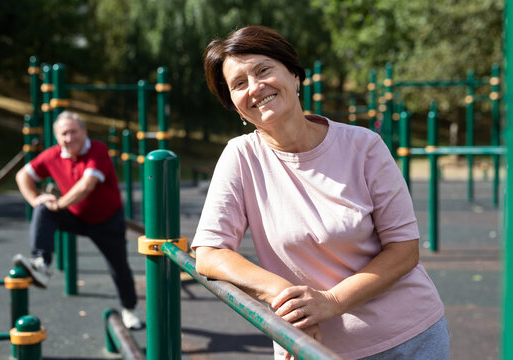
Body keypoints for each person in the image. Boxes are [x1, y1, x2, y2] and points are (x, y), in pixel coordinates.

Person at [192, 25, 449, 359]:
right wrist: (284, 295)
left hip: (408, 340)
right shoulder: (241, 157)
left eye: (263, 70)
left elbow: (404, 250)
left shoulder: (363, 146)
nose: (255, 87)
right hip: (310, 347)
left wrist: (331, 302)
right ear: (235, 106)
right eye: (239, 84)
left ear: (295, 75)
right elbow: (210, 253)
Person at [14, 111, 142, 330]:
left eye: (74, 132)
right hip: (76, 217)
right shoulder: (53, 155)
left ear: (84, 132)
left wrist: (60, 203)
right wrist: (35, 199)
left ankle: (129, 309)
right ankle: (41, 264)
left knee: (118, 267)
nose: (69, 137)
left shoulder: (98, 150)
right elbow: (22, 175)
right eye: (64, 133)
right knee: (43, 209)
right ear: (57, 137)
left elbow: (87, 185)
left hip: (107, 221)